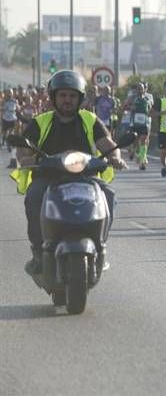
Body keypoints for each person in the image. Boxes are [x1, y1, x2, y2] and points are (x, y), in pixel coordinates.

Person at [10, 70, 126, 275]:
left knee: (109, 195)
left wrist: (115, 156)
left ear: (80, 98)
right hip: (49, 177)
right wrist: (27, 159)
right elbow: (23, 150)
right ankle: (38, 251)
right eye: (63, 95)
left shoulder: (89, 119)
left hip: (86, 177)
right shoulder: (41, 121)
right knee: (34, 196)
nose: (67, 100)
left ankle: (100, 246)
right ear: (54, 97)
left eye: (72, 96)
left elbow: (108, 144)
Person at [125, 82, 153, 170]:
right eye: (138, 88)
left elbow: (151, 108)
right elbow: (124, 107)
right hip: (135, 122)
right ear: (136, 89)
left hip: (144, 123)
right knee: (135, 140)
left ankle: (142, 161)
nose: (140, 90)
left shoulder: (148, 98)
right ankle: (133, 150)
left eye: (141, 88)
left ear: (144, 89)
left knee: (144, 140)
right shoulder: (132, 98)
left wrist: (150, 112)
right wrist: (130, 107)